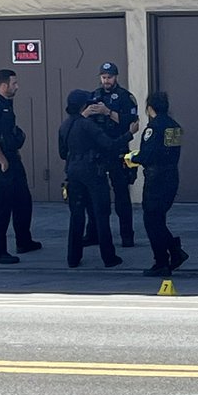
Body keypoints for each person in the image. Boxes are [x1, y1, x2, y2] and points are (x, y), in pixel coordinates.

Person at [58, 90, 127, 269]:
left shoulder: (65, 126)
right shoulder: (88, 125)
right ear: (83, 106)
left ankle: (72, 258)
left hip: (72, 172)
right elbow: (110, 145)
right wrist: (129, 134)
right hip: (93, 172)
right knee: (101, 214)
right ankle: (109, 257)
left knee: (76, 215)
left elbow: (62, 153)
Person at [0, 69, 41, 264]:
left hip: (13, 160)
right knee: (1, 207)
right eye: (14, 83)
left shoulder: (7, 103)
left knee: (23, 201)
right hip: (2, 164)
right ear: (4, 85)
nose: (17, 86)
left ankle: (24, 241)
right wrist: (2, 161)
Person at [127, 91, 187, 277]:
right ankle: (174, 252)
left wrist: (132, 157)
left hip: (156, 179)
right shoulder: (174, 126)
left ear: (150, 108)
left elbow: (148, 155)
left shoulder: (153, 128)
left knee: (151, 220)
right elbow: (169, 152)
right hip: (171, 176)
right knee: (158, 219)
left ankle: (162, 260)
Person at [84, 61, 139, 248]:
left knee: (122, 195)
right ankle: (93, 234)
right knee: (95, 197)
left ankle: (127, 236)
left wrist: (108, 112)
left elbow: (131, 124)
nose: (106, 80)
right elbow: (82, 121)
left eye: (109, 77)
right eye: (103, 77)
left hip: (118, 150)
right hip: (98, 151)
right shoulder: (94, 95)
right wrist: (88, 111)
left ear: (116, 77)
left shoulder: (125, 97)